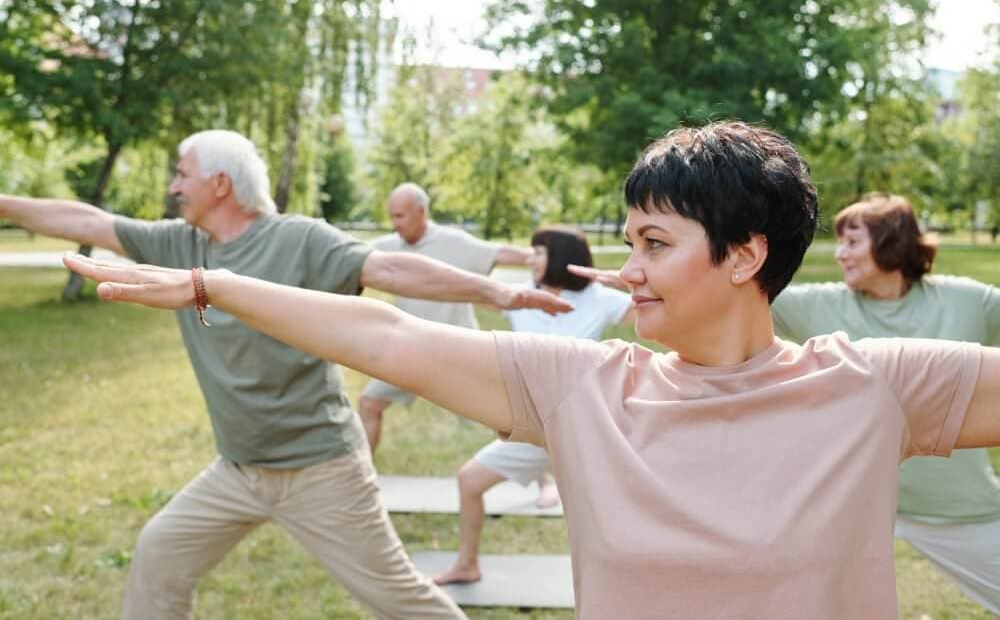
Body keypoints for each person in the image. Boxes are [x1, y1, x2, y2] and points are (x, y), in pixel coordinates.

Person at [61, 121, 1000, 620]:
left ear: (746, 257)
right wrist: (206, 283)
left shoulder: (879, 384)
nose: (626, 267)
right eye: (626, 239)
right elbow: (385, 339)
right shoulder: (586, 389)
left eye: (654, 243)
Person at [0, 129, 571, 620]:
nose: (174, 186)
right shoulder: (180, 242)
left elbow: (391, 266)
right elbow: (89, 220)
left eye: (183, 174)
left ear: (219, 183)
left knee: (400, 599)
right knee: (158, 555)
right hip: (238, 469)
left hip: (320, 469)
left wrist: (492, 288)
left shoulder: (300, 239)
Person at [770, 193, 1000, 614]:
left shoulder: (967, 301)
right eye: (840, 243)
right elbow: (722, 290)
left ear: (891, 243)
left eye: (852, 242)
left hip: (952, 507)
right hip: (852, 506)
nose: (841, 254)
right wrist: (625, 278)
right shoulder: (821, 304)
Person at [432, 225, 634, 586]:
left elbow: (663, 316)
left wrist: (629, 282)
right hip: (534, 425)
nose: (531, 259)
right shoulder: (521, 295)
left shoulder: (598, 297)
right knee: (470, 480)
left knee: (606, 515)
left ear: (560, 257)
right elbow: (464, 291)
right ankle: (467, 565)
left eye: (539, 252)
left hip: (582, 423)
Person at [358, 182, 531, 452]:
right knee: (369, 403)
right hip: (410, 349)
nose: (394, 224)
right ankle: (362, 482)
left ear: (421, 212)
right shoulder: (390, 247)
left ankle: (541, 476)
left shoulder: (453, 242)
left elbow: (500, 253)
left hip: (459, 352)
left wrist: (549, 258)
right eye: (391, 216)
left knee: (502, 419)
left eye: (400, 216)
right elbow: (346, 251)